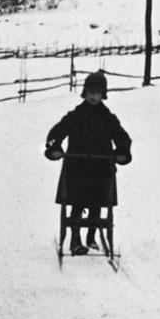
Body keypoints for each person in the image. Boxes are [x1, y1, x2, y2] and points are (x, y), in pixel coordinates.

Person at [44, 71, 132, 255]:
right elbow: (55, 134)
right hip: (78, 168)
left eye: (97, 93)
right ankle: (76, 239)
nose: (93, 96)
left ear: (103, 95)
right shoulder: (76, 116)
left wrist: (122, 151)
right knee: (77, 202)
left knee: (97, 203)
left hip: (101, 169)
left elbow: (123, 138)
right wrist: (54, 148)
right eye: (90, 92)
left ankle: (92, 235)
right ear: (85, 93)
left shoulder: (108, 118)